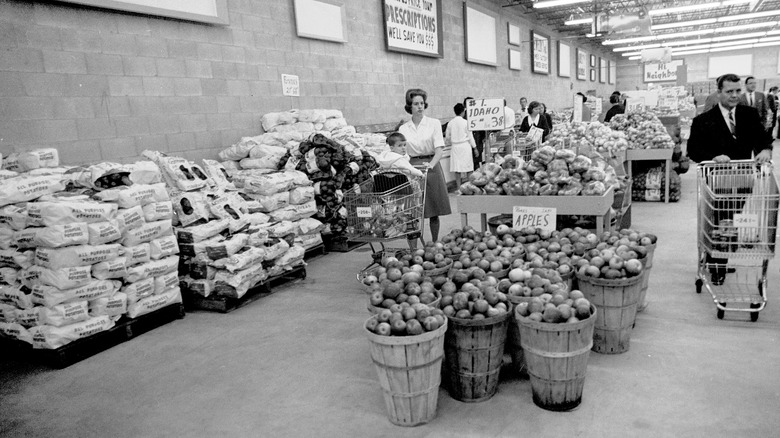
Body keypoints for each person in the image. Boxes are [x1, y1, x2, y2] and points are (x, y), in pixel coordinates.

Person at [687, 73, 773, 285]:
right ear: (719, 93)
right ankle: (718, 265)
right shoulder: (703, 121)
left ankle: (716, 255)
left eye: (737, 91)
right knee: (719, 220)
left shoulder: (749, 114)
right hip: (716, 181)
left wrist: (765, 150)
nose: (734, 95)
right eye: (729, 92)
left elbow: (762, 138)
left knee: (731, 219)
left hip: (743, 179)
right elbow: (693, 150)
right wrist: (712, 157)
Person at [398, 88, 452, 243]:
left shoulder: (433, 123)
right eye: (416, 104)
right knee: (412, 211)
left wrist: (431, 165)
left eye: (422, 103)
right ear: (410, 106)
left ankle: (434, 242)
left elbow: (439, 149)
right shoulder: (404, 128)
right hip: (412, 168)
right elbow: (401, 151)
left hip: (431, 166)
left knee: (434, 209)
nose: (420, 106)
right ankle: (414, 248)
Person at [374, 132, 423, 249]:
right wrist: (421, 174)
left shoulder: (383, 158)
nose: (403, 148)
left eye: (405, 145)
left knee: (396, 217)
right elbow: (411, 170)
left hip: (389, 198)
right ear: (391, 147)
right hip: (404, 195)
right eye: (400, 146)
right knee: (411, 218)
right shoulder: (399, 159)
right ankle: (413, 249)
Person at [445, 103, 476, 186]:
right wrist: (475, 147)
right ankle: (470, 186)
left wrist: (450, 141)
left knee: (457, 168)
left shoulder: (450, 123)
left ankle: (459, 187)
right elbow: (470, 136)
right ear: (463, 112)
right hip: (465, 146)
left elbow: (447, 137)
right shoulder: (466, 122)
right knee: (469, 167)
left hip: (455, 147)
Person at [464, 96, 486, 169]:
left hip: (477, 140)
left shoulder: (478, 115)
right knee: (470, 164)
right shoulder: (463, 116)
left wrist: (484, 137)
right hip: (468, 143)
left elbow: (483, 128)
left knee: (476, 163)